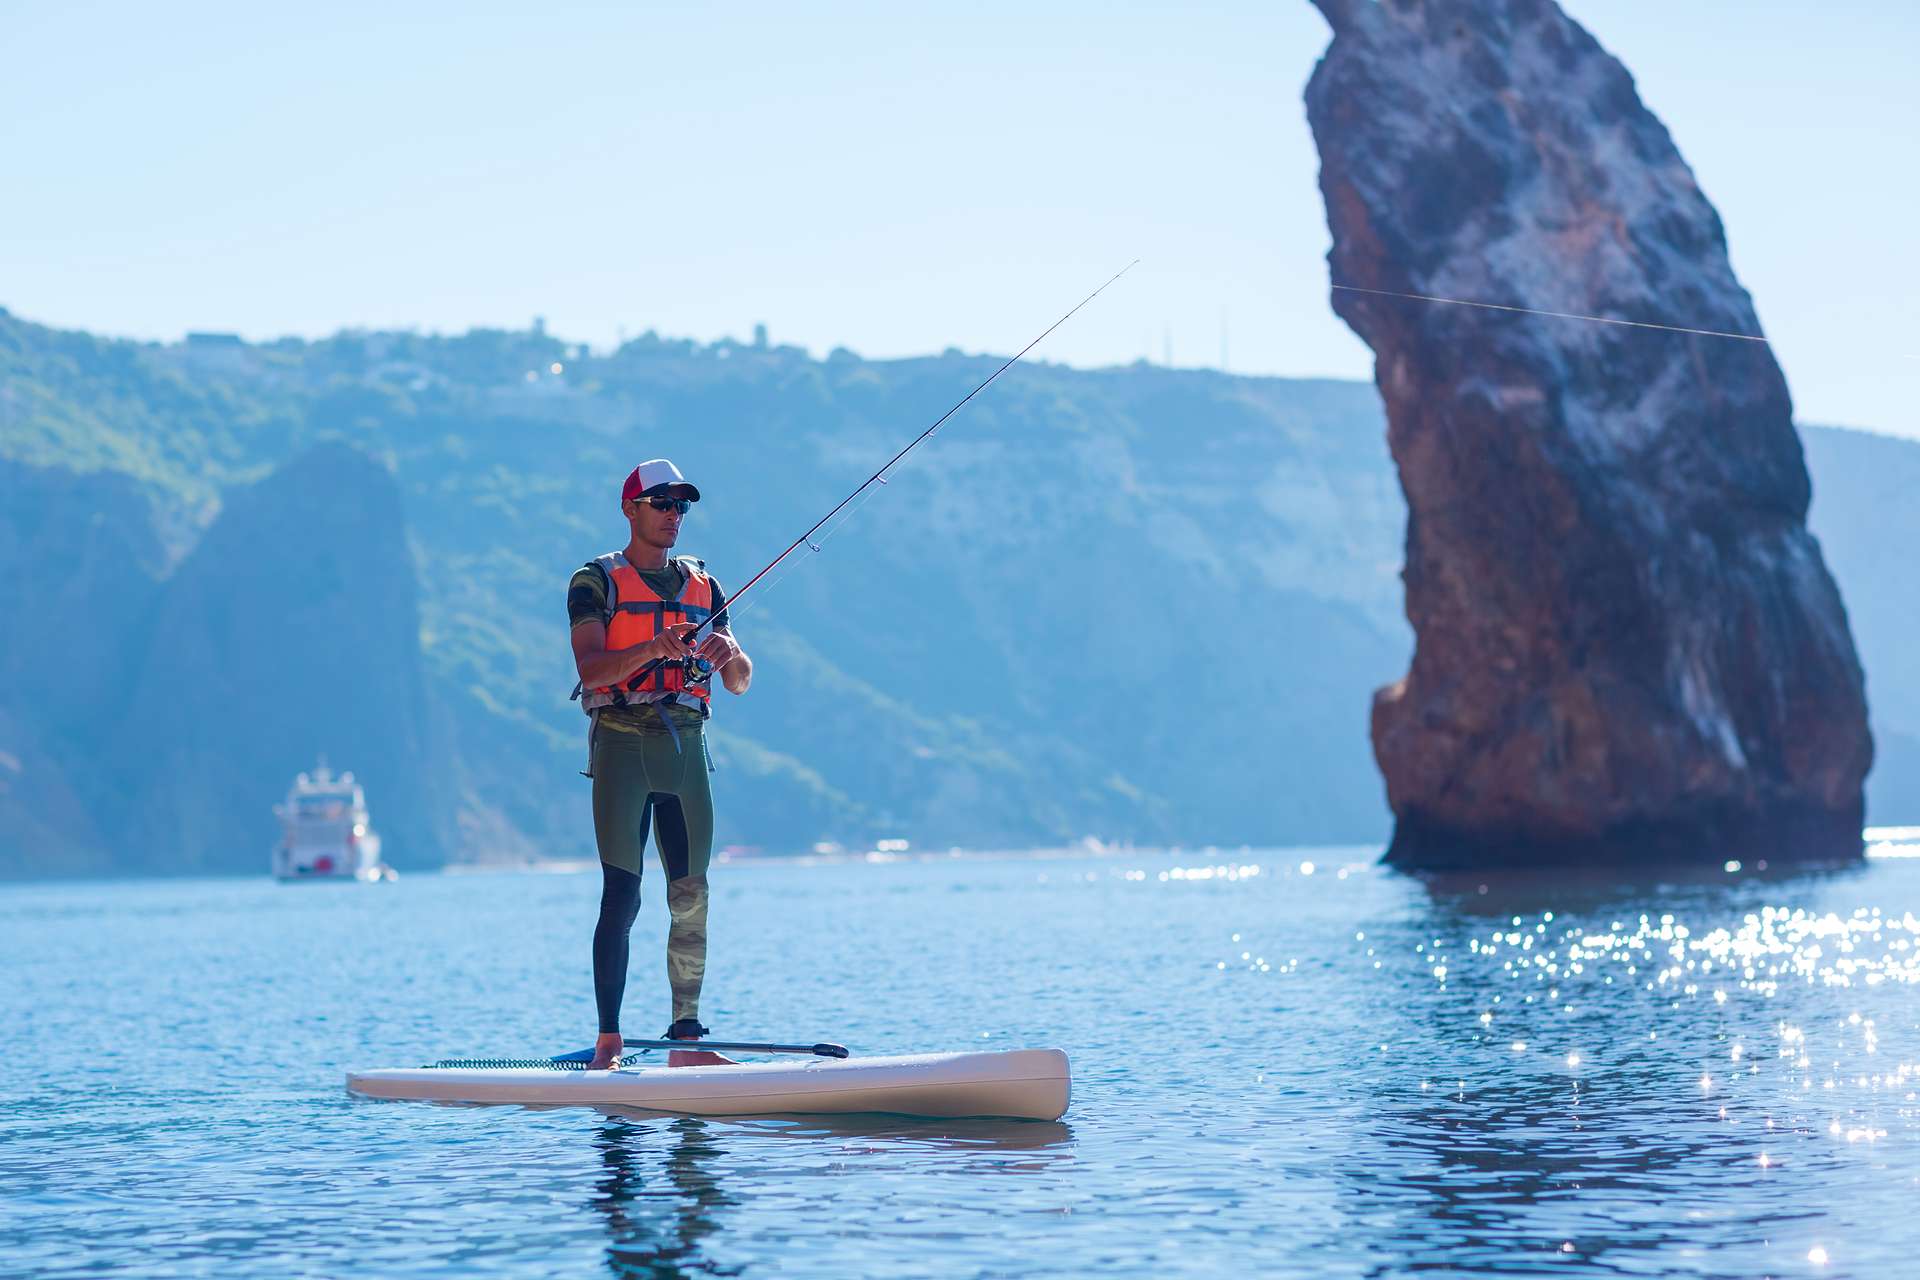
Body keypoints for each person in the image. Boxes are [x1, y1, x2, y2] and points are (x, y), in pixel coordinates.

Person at [567, 459, 752, 1070]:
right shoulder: (594, 581)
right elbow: (591, 671)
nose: (674, 515)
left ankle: (686, 1043)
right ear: (631, 508)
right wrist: (653, 646)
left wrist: (729, 655)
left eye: (682, 506)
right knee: (622, 897)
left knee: (691, 894)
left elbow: (741, 683)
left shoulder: (704, 583)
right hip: (621, 746)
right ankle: (609, 1043)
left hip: (686, 748)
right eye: (662, 503)